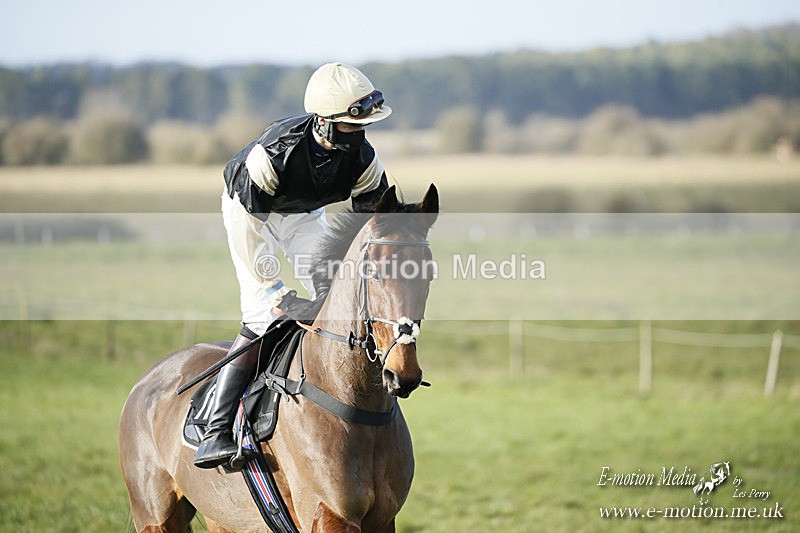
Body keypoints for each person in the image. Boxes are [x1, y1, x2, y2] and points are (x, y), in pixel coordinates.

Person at [194, 62, 392, 469]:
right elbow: (251, 230)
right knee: (265, 313)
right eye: (352, 127)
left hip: (304, 215)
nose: (360, 135)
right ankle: (215, 430)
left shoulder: (363, 157)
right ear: (324, 123)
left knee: (336, 293)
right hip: (251, 213)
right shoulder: (273, 155)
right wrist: (276, 292)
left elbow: (375, 220)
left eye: (364, 127)